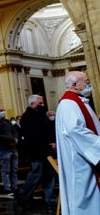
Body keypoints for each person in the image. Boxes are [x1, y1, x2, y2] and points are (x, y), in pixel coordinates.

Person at [55, 71, 100, 214]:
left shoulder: (78, 101)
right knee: (83, 195)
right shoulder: (69, 103)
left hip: (85, 156)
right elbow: (75, 131)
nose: (89, 85)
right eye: (86, 82)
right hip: (80, 159)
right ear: (75, 85)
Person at [17, 95, 57, 210]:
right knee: (36, 174)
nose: (43, 105)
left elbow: (49, 130)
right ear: (32, 104)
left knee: (49, 175)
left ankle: (50, 200)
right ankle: (24, 196)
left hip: (47, 150)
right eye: (40, 103)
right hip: (37, 151)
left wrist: (53, 141)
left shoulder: (41, 115)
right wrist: (47, 142)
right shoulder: (27, 117)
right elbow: (34, 135)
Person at [0, 104, 19, 195]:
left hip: (13, 148)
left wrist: (15, 138)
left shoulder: (7, 121)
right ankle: (7, 188)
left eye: (3, 110)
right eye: (1, 110)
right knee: (6, 170)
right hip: (3, 149)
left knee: (14, 169)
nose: (3, 111)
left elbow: (14, 131)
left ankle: (15, 187)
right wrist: (11, 139)